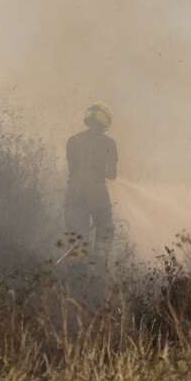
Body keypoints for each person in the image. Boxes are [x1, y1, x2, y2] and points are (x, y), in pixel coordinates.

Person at [64, 102, 118, 274]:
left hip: (73, 192)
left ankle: (77, 274)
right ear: (105, 122)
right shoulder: (109, 143)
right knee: (105, 226)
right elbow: (111, 174)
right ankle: (99, 268)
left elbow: (72, 169)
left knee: (77, 233)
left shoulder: (73, 141)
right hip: (97, 192)